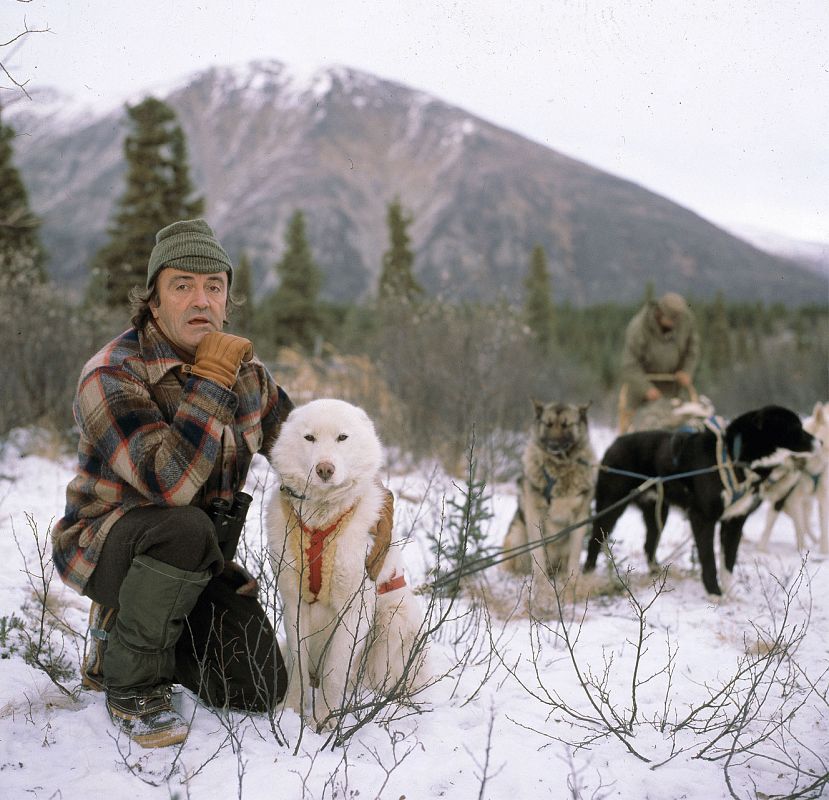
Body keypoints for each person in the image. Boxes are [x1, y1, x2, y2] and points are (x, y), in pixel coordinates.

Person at [52, 219, 392, 748]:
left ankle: (154, 638)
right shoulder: (113, 373)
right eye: (182, 285)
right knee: (182, 525)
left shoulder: (249, 375)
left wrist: (372, 502)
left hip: (199, 560)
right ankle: (129, 681)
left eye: (214, 286)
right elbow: (169, 486)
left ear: (228, 299)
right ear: (153, 300)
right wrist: (211, 379)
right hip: (107, 551)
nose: (200, 300)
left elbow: (305, 449)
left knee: (259, 685)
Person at [617, 291, 700, 433]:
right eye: (672, 319)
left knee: (684, 427)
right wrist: (646, 388)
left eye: (677, 319)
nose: (675, 323)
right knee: (638, 430)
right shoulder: (639, 328)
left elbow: (693, 350)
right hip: (642, 388)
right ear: (660, 313)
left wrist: (687, 372)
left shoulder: (686, 320)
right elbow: (629, 365)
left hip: (675, 387)